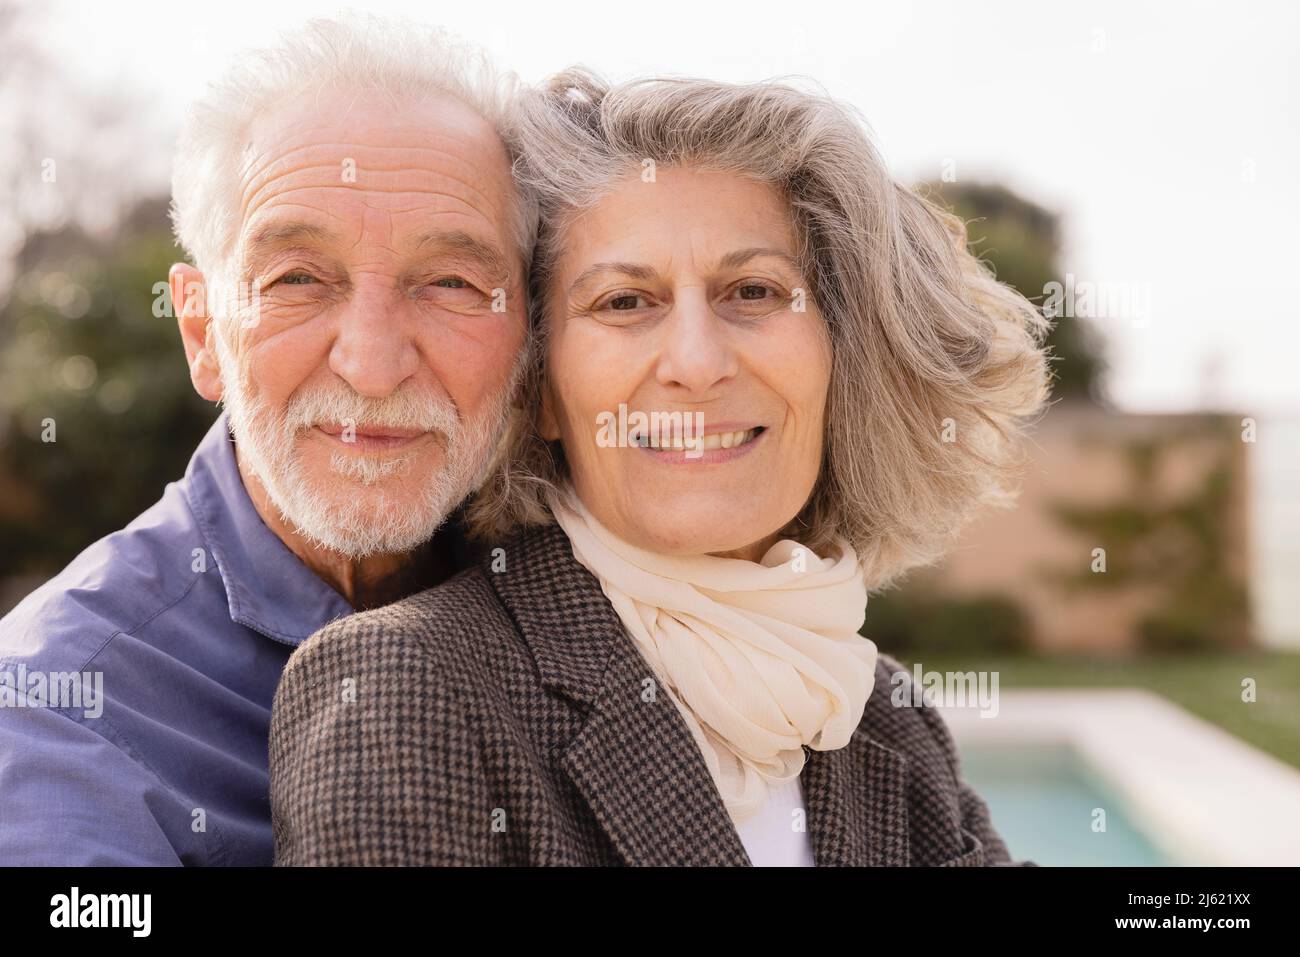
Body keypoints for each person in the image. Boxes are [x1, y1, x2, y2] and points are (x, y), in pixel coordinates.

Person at [269, 68, 1051, 866]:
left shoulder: (887, 716)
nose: (696, 361)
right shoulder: (405, 691)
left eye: (752, 290)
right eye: (624, 302)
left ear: (839, 358)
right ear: (540, 388)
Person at [0, 16, 534, 865]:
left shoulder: (589, 606)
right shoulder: (55, 710)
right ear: (203, 331)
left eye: (449, 282)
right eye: (296, 279)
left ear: (529, 335)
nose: (372, 364)